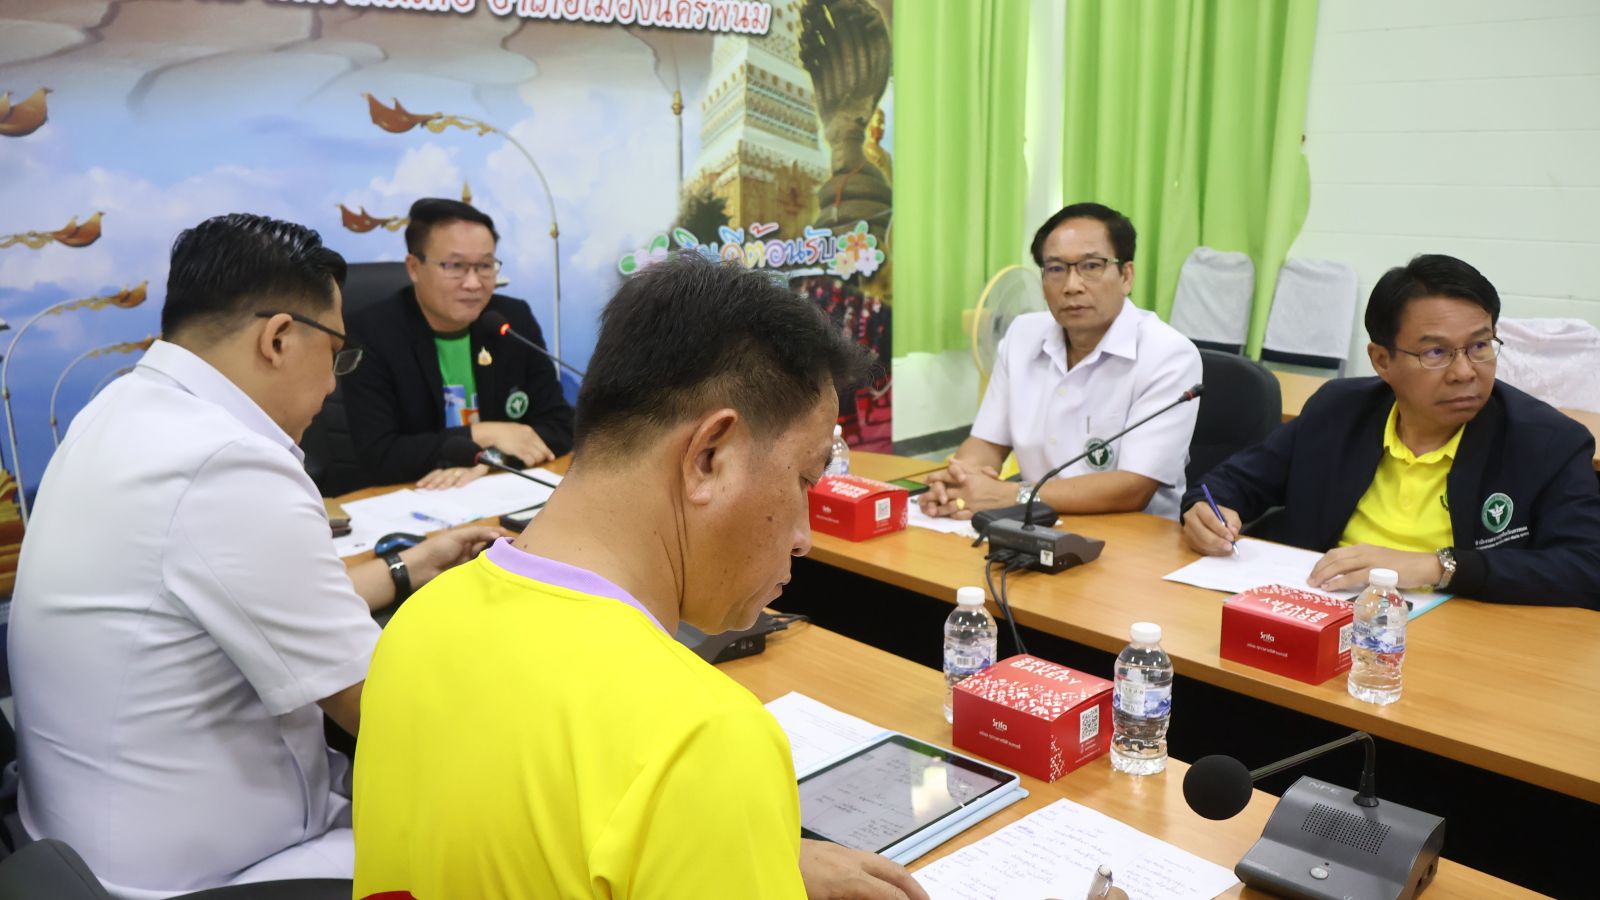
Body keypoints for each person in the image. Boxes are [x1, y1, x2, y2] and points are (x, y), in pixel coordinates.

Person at [351, 255, 928, 900]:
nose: (804, 537)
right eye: (803, 480)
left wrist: (741, 853)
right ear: (709, 456)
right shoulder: (699, 739)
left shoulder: (417, 624)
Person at [8, 213, 502, 898]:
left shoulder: (117, 409)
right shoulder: (227, 463)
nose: (333, 386)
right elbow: (389, 711)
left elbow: (249, 596)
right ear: (278, 339)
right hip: (211, 873)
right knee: (503, 847)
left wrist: (410, 564)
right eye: (336, 355)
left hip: (82, 836)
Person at [1182, 254, 1600, 608]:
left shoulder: (1547, 442)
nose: (1464, 371)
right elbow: (1228, 485)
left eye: (1479, 346)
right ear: (1382, 360)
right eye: (1436, 352)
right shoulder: (1338, 411)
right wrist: (1205, 513)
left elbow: (1587, 567)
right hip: (1323, 614)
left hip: (1464, 637)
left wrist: (1437, 567)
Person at [920, 203, 1202, 522]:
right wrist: (959, 482)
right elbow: (987, 442)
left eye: (1091, 266)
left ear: (1126, 276)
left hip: (1129, 532)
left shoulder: (1169, 354)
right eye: (1055, 269)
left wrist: (1010, 496)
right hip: (1032, 522)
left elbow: (1134, 488)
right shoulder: (1022, 334)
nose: (1071, 286)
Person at [343, 198, 574, 490]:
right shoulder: (372, 333)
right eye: (455, 266)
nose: (473, 283)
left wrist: (492, 458)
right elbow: (380, 455)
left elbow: (560, 425)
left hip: (496, 490)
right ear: (414, 267)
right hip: (412, 496)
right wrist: (483, 433)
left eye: (485, 266)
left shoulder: (512, 320)